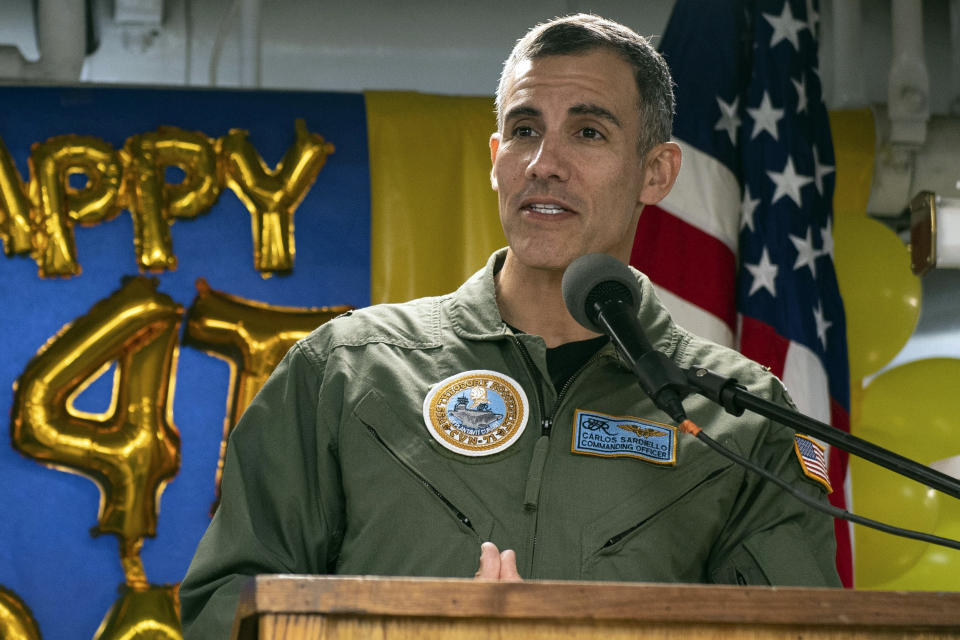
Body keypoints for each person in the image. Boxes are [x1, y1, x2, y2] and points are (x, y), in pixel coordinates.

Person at [180, 13, 840, 638]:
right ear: (495, 156)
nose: (543, 163)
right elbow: (224, 610)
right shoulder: (348, 370)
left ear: (656, 171)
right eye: (524, 130)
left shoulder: (742, 419)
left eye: (588, 133)